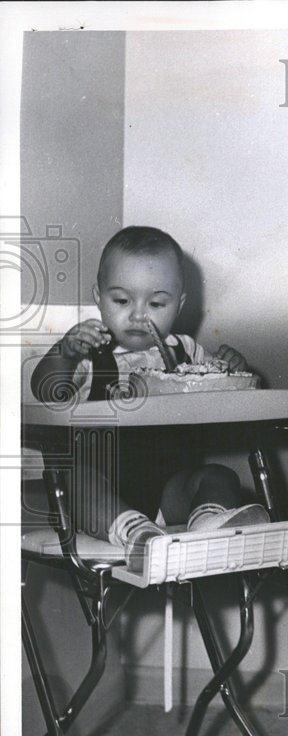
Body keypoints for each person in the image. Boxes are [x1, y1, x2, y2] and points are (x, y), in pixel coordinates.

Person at [30, 226, 269, 570]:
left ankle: (207, 525)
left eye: (156, 303)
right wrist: (65, 354)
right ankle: (136, 534)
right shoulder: (89, 351)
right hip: (102, 492)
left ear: (179, 304)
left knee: (219, 477)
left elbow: (231, 394)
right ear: (98, 296)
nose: (140, 314)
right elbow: (45, 389)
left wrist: (235, 368)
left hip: (170, 490)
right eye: (122, 301)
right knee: (76, 476)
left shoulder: (187, 352)